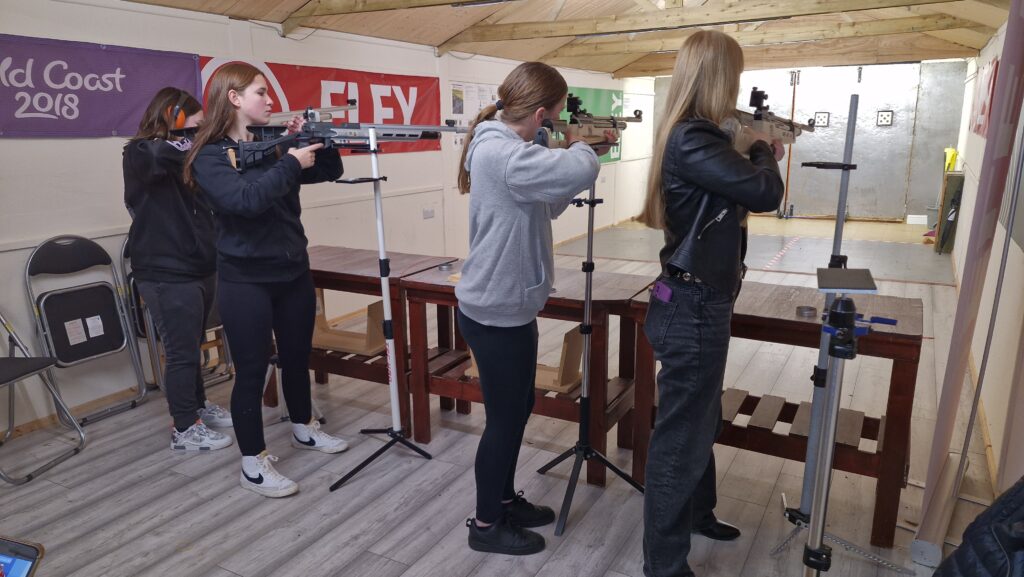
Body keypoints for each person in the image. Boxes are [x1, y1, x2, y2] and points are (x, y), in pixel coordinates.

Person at [636, 30, 785, 577]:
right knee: (681, 437)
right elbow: (766, 194)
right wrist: (765, 145)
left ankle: (700, 513)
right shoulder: (694, 138)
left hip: (698, 299)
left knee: (701, 419)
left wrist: (748, 142)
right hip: (694, 304)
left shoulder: (700, 136)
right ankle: (665, 565)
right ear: (721, 77)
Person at [455, 61, 615, 556]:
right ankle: (486, 525)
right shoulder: (504, 154)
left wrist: (559, 150)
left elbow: (547, 202)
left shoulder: (515, 151)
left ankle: (503, 499)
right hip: (494, 308)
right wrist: (585, 145)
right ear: (543, 112)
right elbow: (582, 167)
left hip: (508, 306)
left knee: (518, 407)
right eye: (558, 114)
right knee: (504, 420)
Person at [184, 62, 348, 498]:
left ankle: (304, 427)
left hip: (292, 271)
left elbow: (328, 171)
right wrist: (290, 160)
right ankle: (252, 462)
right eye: (261, 92)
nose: (270, 100)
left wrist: (317, 140)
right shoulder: (208, 155)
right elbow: (245, 200)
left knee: (298, 357)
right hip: (246, 281)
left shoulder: (269, 145)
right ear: (234, 98)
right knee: (253, 372)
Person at [124, 86, 233, 453]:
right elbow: (159, 152)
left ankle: (197, 409)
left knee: (193, 345)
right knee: (182, 351)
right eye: (193, 127)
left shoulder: (187, 159)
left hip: (198, 265)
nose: (198, 135)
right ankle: (184, 427)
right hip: (164, 271)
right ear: (174, 117)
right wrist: (195, 138)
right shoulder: (140, 152)